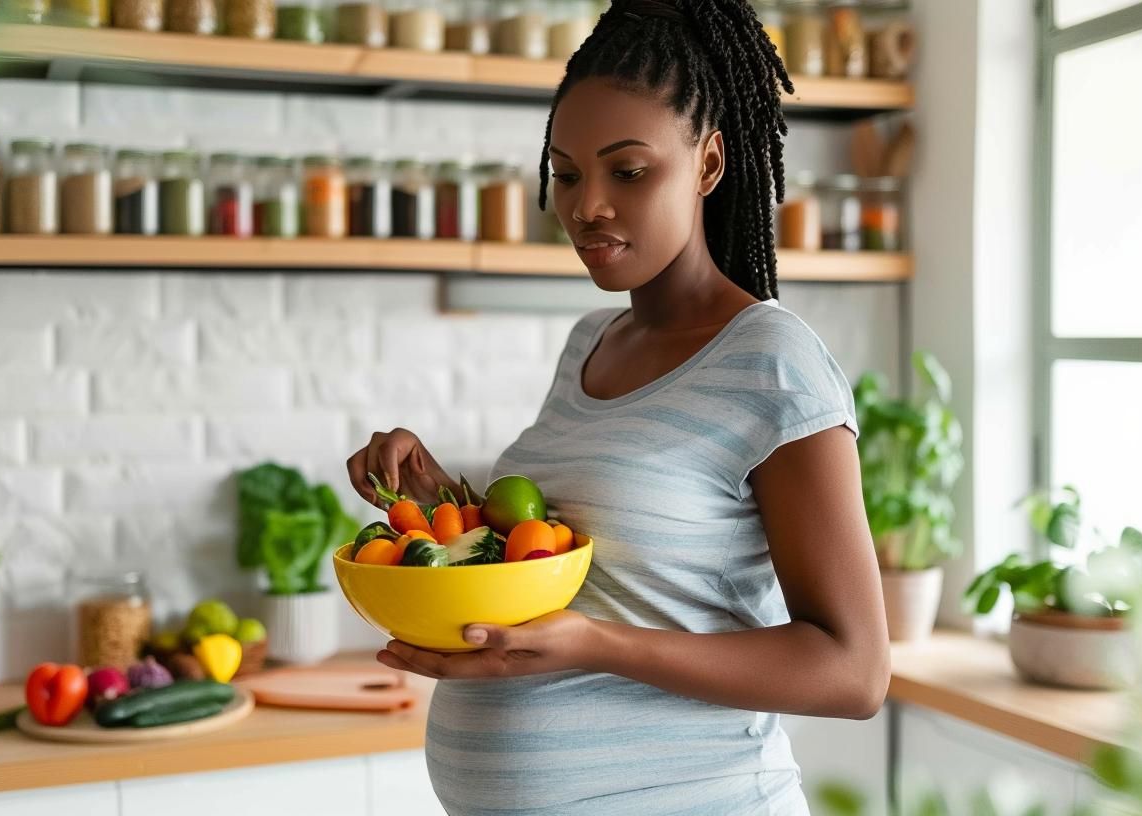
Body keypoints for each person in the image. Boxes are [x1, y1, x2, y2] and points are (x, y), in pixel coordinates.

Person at [346, 0, 890, 811]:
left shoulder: (772, 364)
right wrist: (442, 508)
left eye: (628, 171)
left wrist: (596, 648)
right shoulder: (590, 343)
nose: (585, 205)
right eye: (565, 174)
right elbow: (583, 564)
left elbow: (854, 671)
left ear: (708, 164)